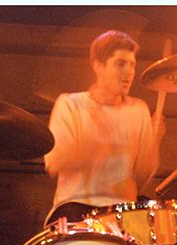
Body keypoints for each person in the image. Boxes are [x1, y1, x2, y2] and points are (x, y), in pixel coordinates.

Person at [44, 30, 165, 225]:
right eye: (120, 64)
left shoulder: (139, 110)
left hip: (123, 211)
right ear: (99, 67)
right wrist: (93, 146)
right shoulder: (70, 104)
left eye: (132, 65)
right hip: (76, 207)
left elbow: (141, 179)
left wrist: (154, 142)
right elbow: (54, 164)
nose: (129, 72)